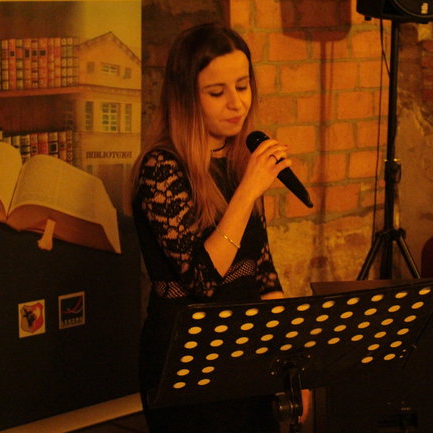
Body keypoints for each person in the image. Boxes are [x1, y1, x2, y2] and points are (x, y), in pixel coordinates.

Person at [130, 23, 306, 432]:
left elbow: (264, 273)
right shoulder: (161, 168)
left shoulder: (240, 160)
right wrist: (247, 192)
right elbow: (203, 280)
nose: (236, 103)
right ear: (186, 97)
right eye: (216, 92)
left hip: (248, 348)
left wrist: (291, 364)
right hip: (188, 354)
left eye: (243, 86)